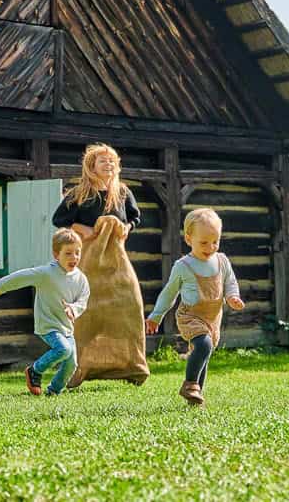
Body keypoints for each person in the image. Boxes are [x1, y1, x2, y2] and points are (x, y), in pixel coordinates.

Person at [52, 143, 149, 387]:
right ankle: (78, 368)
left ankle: (132, 367)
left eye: (112, 160)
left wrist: (127, 227)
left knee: (129, 308)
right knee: (87, 314)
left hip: (117, 263)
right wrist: (82, 229)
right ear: (91, 166)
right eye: (103, 160)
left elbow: (135, 217)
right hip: (88, 261)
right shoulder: (79, 193)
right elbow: (59, 219)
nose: (109, 164)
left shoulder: (123, 192)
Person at [145, 208, 245, 406]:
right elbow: (169, 293)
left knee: (204, 354)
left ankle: (195, 396)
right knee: (203, 345)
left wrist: (233, 296)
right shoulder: (184, 265)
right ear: (189, 239)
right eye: (204, 243)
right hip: (190, 316)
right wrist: (157, 315)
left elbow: (230, 282)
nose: (210, 247)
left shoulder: (222, 261)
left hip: (213, 317)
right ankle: (190, 384)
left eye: (215, 241)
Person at [0, 228, 90, 396]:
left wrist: (73, 308)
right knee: (64, 350)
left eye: (77, 253)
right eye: (68, 253)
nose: (74, 258)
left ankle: (53, 391)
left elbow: (83, 300)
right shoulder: (47, 273)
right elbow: (22, 276)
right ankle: (35, 371)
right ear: (56, 255)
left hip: (66, 328)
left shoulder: (81, 278)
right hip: (48, 325)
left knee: (71, 363)